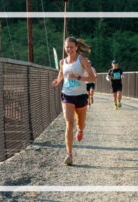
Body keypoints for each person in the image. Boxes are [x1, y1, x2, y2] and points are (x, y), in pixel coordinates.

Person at [52, 37, 95, 165]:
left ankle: (80, 130)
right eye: (67, 47)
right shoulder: (62, 62)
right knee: (69, 123)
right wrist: (57, 81)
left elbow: (93, 78)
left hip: (81, 95)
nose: (69, 49)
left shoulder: (82, 61)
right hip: (67, 95)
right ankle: (69, 154)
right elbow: (61, 74)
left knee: (80, 124)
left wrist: (77, 77)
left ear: (76, 47)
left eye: (71, 47)